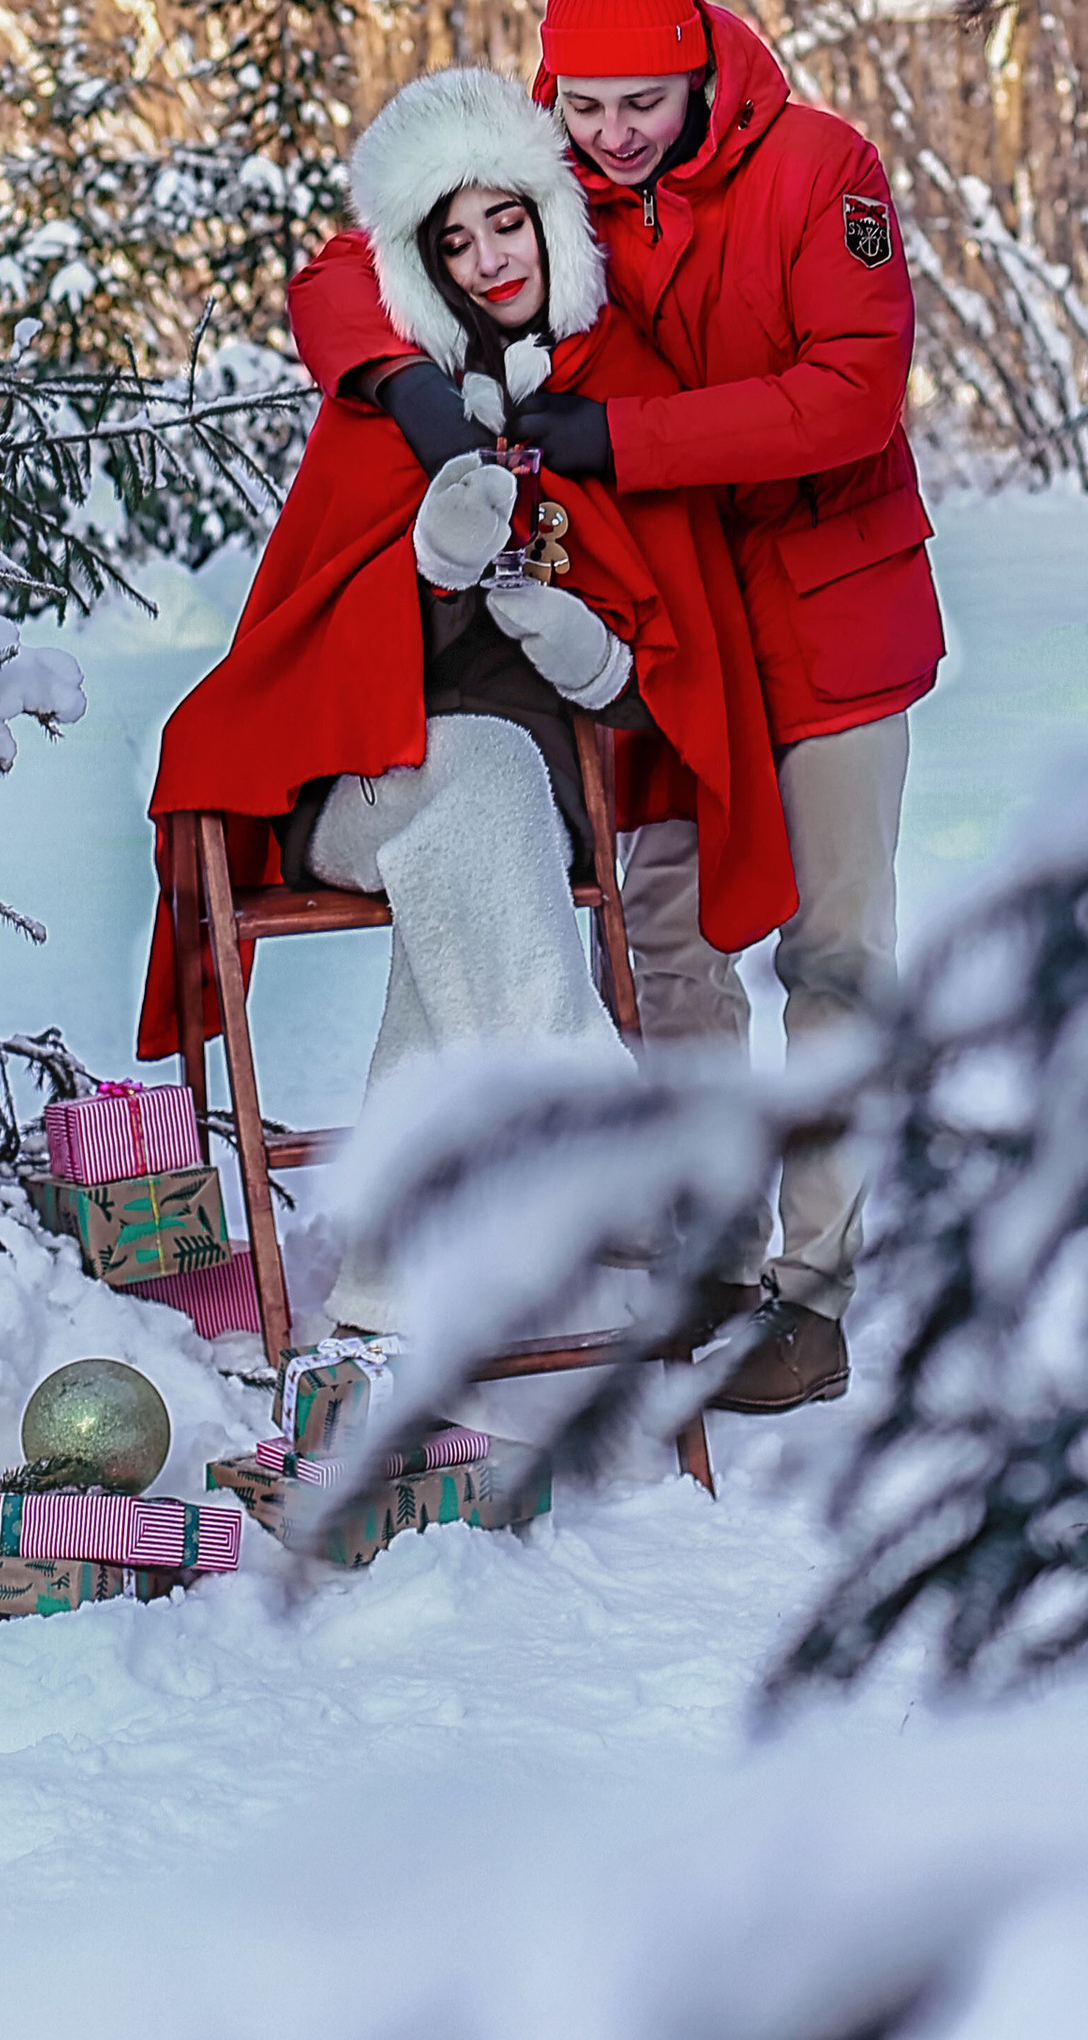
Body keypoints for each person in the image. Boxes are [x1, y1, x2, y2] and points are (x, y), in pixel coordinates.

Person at [288, 0, 943, 1410]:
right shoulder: (552, 162)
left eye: (644, 103)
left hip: (823, 620)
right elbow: (358, 257)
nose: (614, 135)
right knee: (666, 954)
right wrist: (399, 385)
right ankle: (701, 1249)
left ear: (704, 68)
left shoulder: (820, 168)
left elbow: (851, 397)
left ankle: (815, 1290)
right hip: (662, 634)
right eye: (586, 106)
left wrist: (622, 444)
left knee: (831, 956)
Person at [137, 65, 793, 1327]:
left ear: (553, 218)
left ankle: (387, 1278)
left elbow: (675, 680)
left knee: (476, 834)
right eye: (455, 238)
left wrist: (593, 659)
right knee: (474, 783)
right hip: (354, 789)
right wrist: (430, 573)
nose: (490, 258)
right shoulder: (390, 406)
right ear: (422, 264)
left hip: (516, 813)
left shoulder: (612, 392)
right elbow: (323, 643)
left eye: (508, 221)